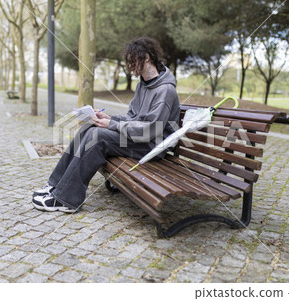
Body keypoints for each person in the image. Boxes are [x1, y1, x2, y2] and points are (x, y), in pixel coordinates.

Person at [32, 37, 180, 213]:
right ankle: (55, 185)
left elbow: (150, 130)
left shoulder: (165, 91)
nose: (130, 66)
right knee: (89, 127)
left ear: (146, 58)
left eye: (133, 61)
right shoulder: (143, 85)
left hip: (151, 146)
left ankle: (66, 200)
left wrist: (111, 125)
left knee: (97, 137)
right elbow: (132, 117)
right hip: (137, 139)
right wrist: (108, 118)